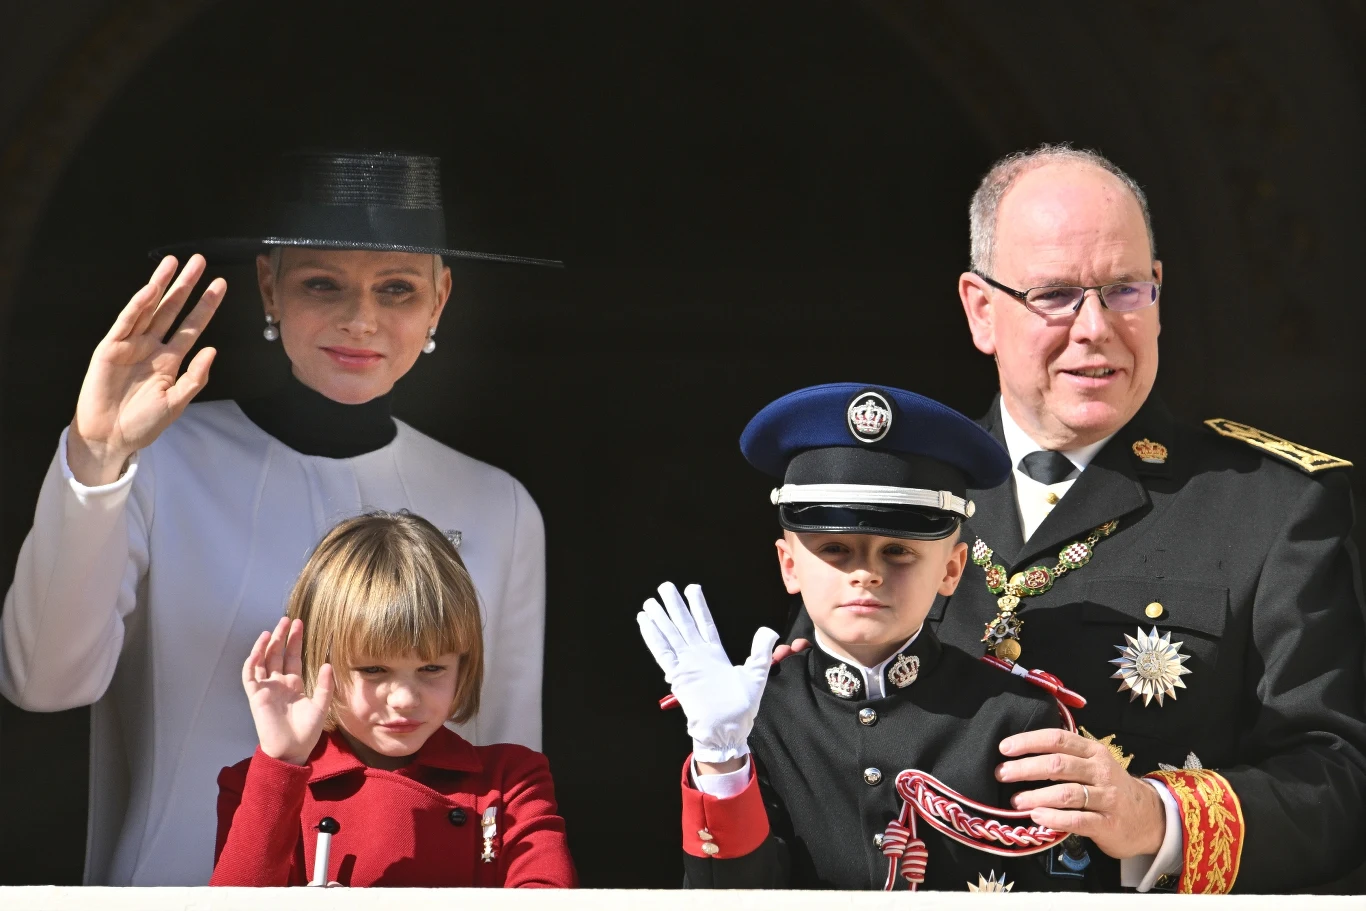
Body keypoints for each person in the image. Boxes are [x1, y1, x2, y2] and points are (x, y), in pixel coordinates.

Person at [787, 145, 1366, 892]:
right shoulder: (896, 497)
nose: (1094, 326)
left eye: (1124, 290)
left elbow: (1342, 779)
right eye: (1056, 294)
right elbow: (803, 742)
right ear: (980, 309)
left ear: (1158, 291)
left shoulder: (1269, 505)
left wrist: (1155, 817)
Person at [0, 151, 557, 885]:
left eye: (397, 289)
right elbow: (43, 682)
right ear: (270, 286)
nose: (362, 319)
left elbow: (504, 778)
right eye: (322, 283)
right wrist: (97, 462)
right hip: (183, 887)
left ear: (440, 301)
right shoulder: (159, 460)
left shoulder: (498, 504)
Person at [639, 383, 1094, 892]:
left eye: (898, 552)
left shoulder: (1015, 719)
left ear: (951, 568)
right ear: (789, 565)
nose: (866, 574)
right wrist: (722, 760)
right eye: (835, 549)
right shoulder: (750, 716)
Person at [211, 511, 575, 887]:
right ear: (318, 663)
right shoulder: (261, 784)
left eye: (432, 669)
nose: (403, 698)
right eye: (373, 670)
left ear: (464, 664)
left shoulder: (510, 781)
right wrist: (283, 763)